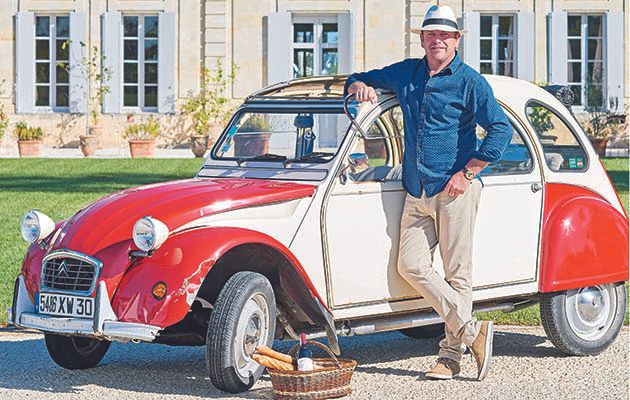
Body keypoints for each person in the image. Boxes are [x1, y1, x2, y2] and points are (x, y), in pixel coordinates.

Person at [344, 5, 512, 381]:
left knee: (458, 275)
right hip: (416, 189)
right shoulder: (408, 72)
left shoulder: (470, 82)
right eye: (431, 34)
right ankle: (473, 331)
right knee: (411, 265)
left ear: (456, 41)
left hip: (455, 190)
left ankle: (450, 357)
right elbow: (359, 77)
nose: (438, 40)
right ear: (422, 39)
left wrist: (468, 172)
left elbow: (501, 130)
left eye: (445, 35)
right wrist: (357, 85)